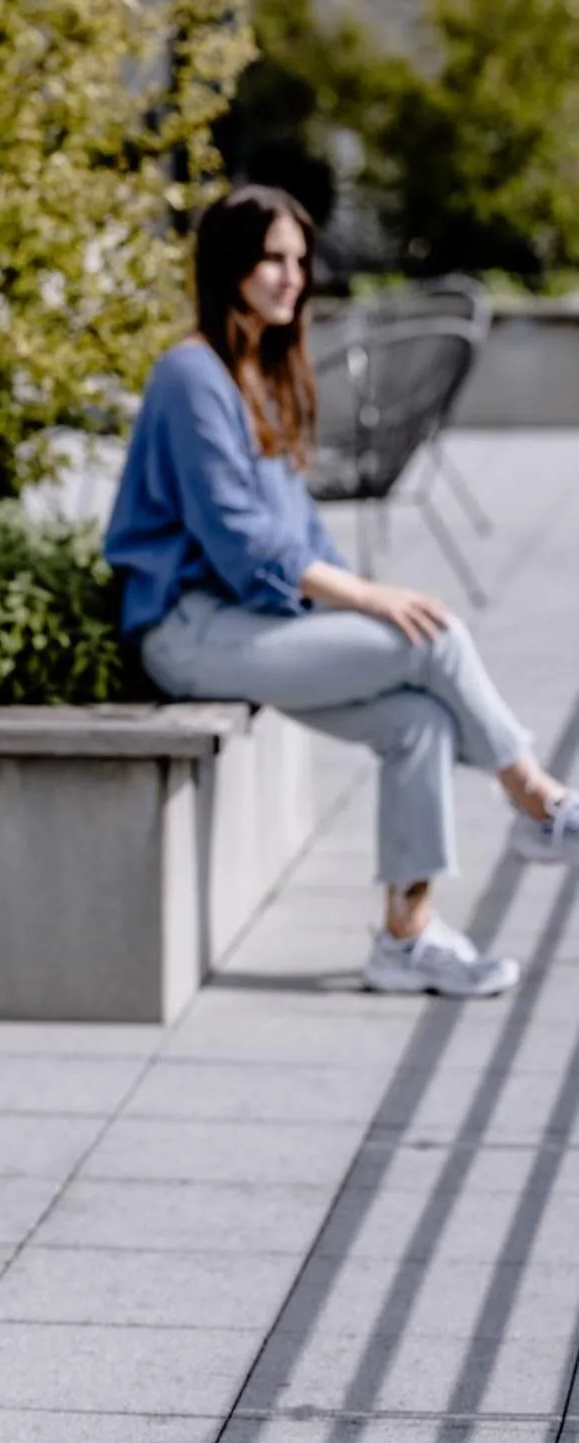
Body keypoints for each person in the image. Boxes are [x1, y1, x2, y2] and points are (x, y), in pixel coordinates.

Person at [104, 183, 579, 999]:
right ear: (230, 266)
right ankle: (537, 797)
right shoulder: (190, 377)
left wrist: (354, 595)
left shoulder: (261, 372)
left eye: (298, 260)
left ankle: (408, 936)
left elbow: (297, 529)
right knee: (431, 636)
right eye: (271, 259)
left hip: (254, 623)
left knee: (420, 720)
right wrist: (366, 598)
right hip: (188, 631)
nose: (291, 277)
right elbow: (236, 537)